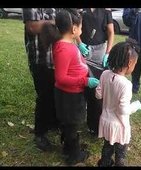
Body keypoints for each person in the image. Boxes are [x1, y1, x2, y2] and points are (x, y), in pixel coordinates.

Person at [40, 9, 99, 165]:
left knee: (71, 124)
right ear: (74, 29)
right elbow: (61, 77)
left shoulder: (68, 44)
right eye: (81, 27)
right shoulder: (64, 48)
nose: (82, 30)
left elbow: (73, 64)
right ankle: (73, 155)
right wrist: (85, 82)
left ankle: (70, 146)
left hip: (72, 93)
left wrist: (80, 53)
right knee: (71, 124)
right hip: (70, 96)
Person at [95, 38, 141, 167]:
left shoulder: (105, 74)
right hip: (120, 126)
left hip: (106, 122)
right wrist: (136, 106)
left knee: (107, 147)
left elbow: (98, 94)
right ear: (130, 63)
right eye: (135, 64)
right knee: (120, 153)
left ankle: (104, 163)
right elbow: (123, 110)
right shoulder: (126, 84)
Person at [22, 8, 60, 152]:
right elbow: (32, 27)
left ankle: (53, 122)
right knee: (44, 96)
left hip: (57, 58)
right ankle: (40, 133)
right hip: (40, 60)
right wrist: (56, 22)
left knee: (55, 93)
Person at [76, 8, 114, 137]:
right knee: (82, 79)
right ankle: (80, 113)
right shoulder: (81, 10)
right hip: (84, 48)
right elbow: (75, 28)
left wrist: (108, 53)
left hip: (100, 50)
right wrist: (80, 44)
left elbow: (111, 32)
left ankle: (94, 119)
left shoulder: (105, 10)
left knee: (96, 85)